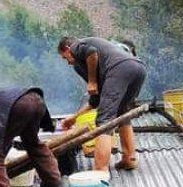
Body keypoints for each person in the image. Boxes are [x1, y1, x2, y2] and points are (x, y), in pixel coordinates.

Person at [59, 36, 147, 173]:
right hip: (138, 68)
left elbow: (91, 52)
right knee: (122, 113)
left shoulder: (77, 46)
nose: (68, 63)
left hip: (120, 69)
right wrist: (74, 118)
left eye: (65, 58)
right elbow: (96, 98)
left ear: (67, 49)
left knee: (104, 120)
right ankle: (129, 158)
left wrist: (92, 81)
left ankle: (100, 170)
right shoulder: (81, 66)